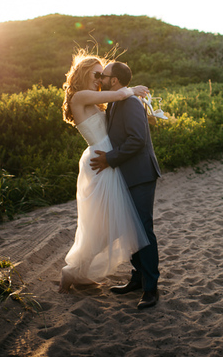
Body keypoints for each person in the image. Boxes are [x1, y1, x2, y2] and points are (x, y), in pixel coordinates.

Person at [59, 51, 151, 294]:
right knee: (107, 224)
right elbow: (121, 93)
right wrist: (136, 89)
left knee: (106, 224)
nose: (99, 79)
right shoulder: (80, 96)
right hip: (101, 161)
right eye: (96, 74)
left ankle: (77, 271)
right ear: (84, 73)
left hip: (108, 161)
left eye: (102, 75)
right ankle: (71, 272)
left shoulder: (92, 99)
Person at [90, 60, 162, 309]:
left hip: (140, 175)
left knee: (143, 229)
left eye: (103, 75)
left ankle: (151, 289)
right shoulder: (115, 102)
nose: (99, 79)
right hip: (126, 175)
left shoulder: (130, 103)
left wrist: (109, 159)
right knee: (130, 229)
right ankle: (138, 278)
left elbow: (138, 140)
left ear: (116, 80)